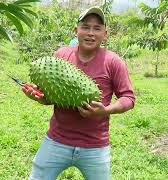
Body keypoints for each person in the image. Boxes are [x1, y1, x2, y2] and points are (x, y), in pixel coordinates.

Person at [23, 6, 136, 180]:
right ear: (76, 30)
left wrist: (105, 110)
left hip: (95, 146)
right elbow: (54, 97)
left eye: (97, 28)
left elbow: (129, 98)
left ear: (105, 33)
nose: (91, 33)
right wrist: (40, 98)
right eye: (85, 27)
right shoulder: (60, 55)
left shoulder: (113, 62)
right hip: (57, 140)